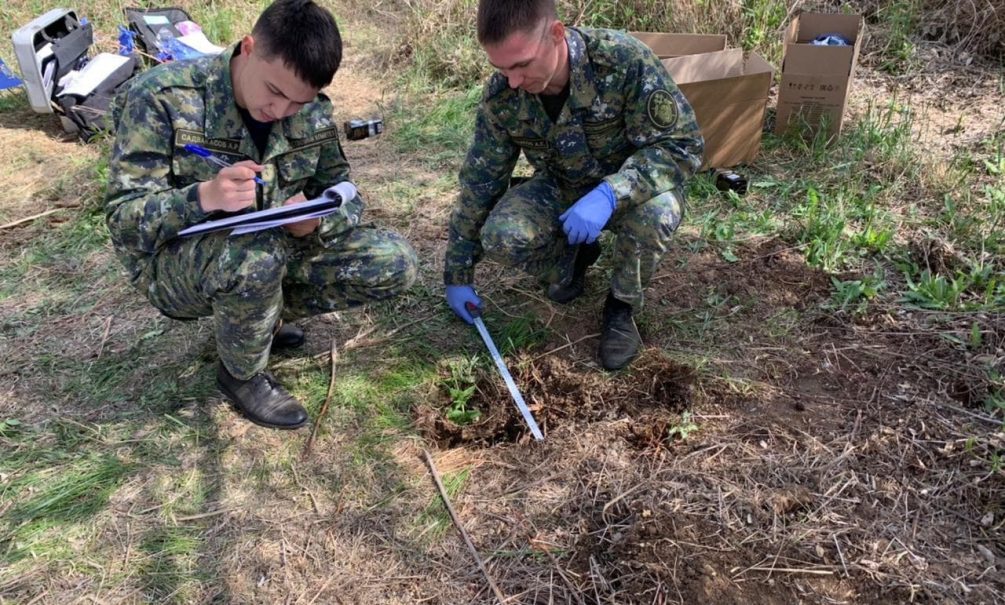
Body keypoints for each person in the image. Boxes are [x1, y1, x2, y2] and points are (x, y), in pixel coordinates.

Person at [105, 0, 417, 429]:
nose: (281, 111)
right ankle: (241, 374)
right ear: (248, 49)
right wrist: (203, 197)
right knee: (257, 256)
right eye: (274, 92)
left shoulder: (312, 111)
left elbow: (345, 191)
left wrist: (317, 219)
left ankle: (261, 319)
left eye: (297, 102)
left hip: (272, 249)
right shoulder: (164, 98)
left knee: (394, 261)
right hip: (177, 265)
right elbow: (124, 221)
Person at [443, 0, 704, 371]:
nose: (513, 80)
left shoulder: (622, 60)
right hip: (561, 186)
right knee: (502, 235)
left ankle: (621, 306)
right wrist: (457, 273)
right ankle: (573, 259)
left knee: (657, 213)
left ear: (556, 34)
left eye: (521, 64)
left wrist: (611, 193)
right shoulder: (503, 95)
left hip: (632, 190)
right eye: (500, 67)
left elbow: (683, 146)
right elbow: (480, 181)